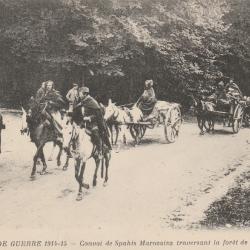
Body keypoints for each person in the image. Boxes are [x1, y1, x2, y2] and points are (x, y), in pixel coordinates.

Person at [76, 86, 112, 159]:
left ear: (85, 94)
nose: (79, 94)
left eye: (80, 93)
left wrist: (89, 118)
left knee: (96, 133)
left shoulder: (92, 102)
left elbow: (98, 115)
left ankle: (99, 151)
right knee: (73, 133)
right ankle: (73, 150)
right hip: (83, 123)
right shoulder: (82, 101)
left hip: (93, 123)